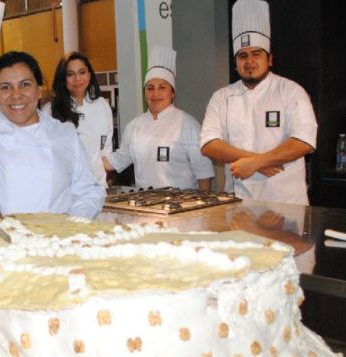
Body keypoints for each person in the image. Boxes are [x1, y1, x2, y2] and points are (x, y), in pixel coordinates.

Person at [0, 51, 105, 218]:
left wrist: (69, 223)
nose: (16, 94)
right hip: (0, 234)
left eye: (25, 85)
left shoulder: (65, 133)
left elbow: (89, 191)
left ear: (39, 89)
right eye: (5, 87)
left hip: (56, 233)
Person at [200, 0, 317, 205]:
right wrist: (255, 161)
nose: (249, 62)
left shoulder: (291, 91)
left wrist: (257, 162)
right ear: (236, 63)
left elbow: (304, 141)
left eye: (256, 54)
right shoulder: (221, 97)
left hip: (286, 204)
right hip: (238, 202)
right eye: (242, 56)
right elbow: (209, 145)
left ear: (269, 59)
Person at [103, 46, 214, 191]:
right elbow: (118, 160)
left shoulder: (188, 125)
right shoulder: (134, 126)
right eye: (150, 88)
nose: (155, 94)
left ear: (172, 93)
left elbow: (203, 174)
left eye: (162, 87)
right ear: (144, 93)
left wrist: (204, 203)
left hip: (182, 202)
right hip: (144, 201)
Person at [44, 51, 113, 188]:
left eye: (82, 72)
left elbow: (106, 149)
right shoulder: (50, 110)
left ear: (89, 75)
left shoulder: (102, 105)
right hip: (65, 190)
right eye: (70, 74)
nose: (77, 79)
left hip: (98, 188)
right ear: (63, 79)